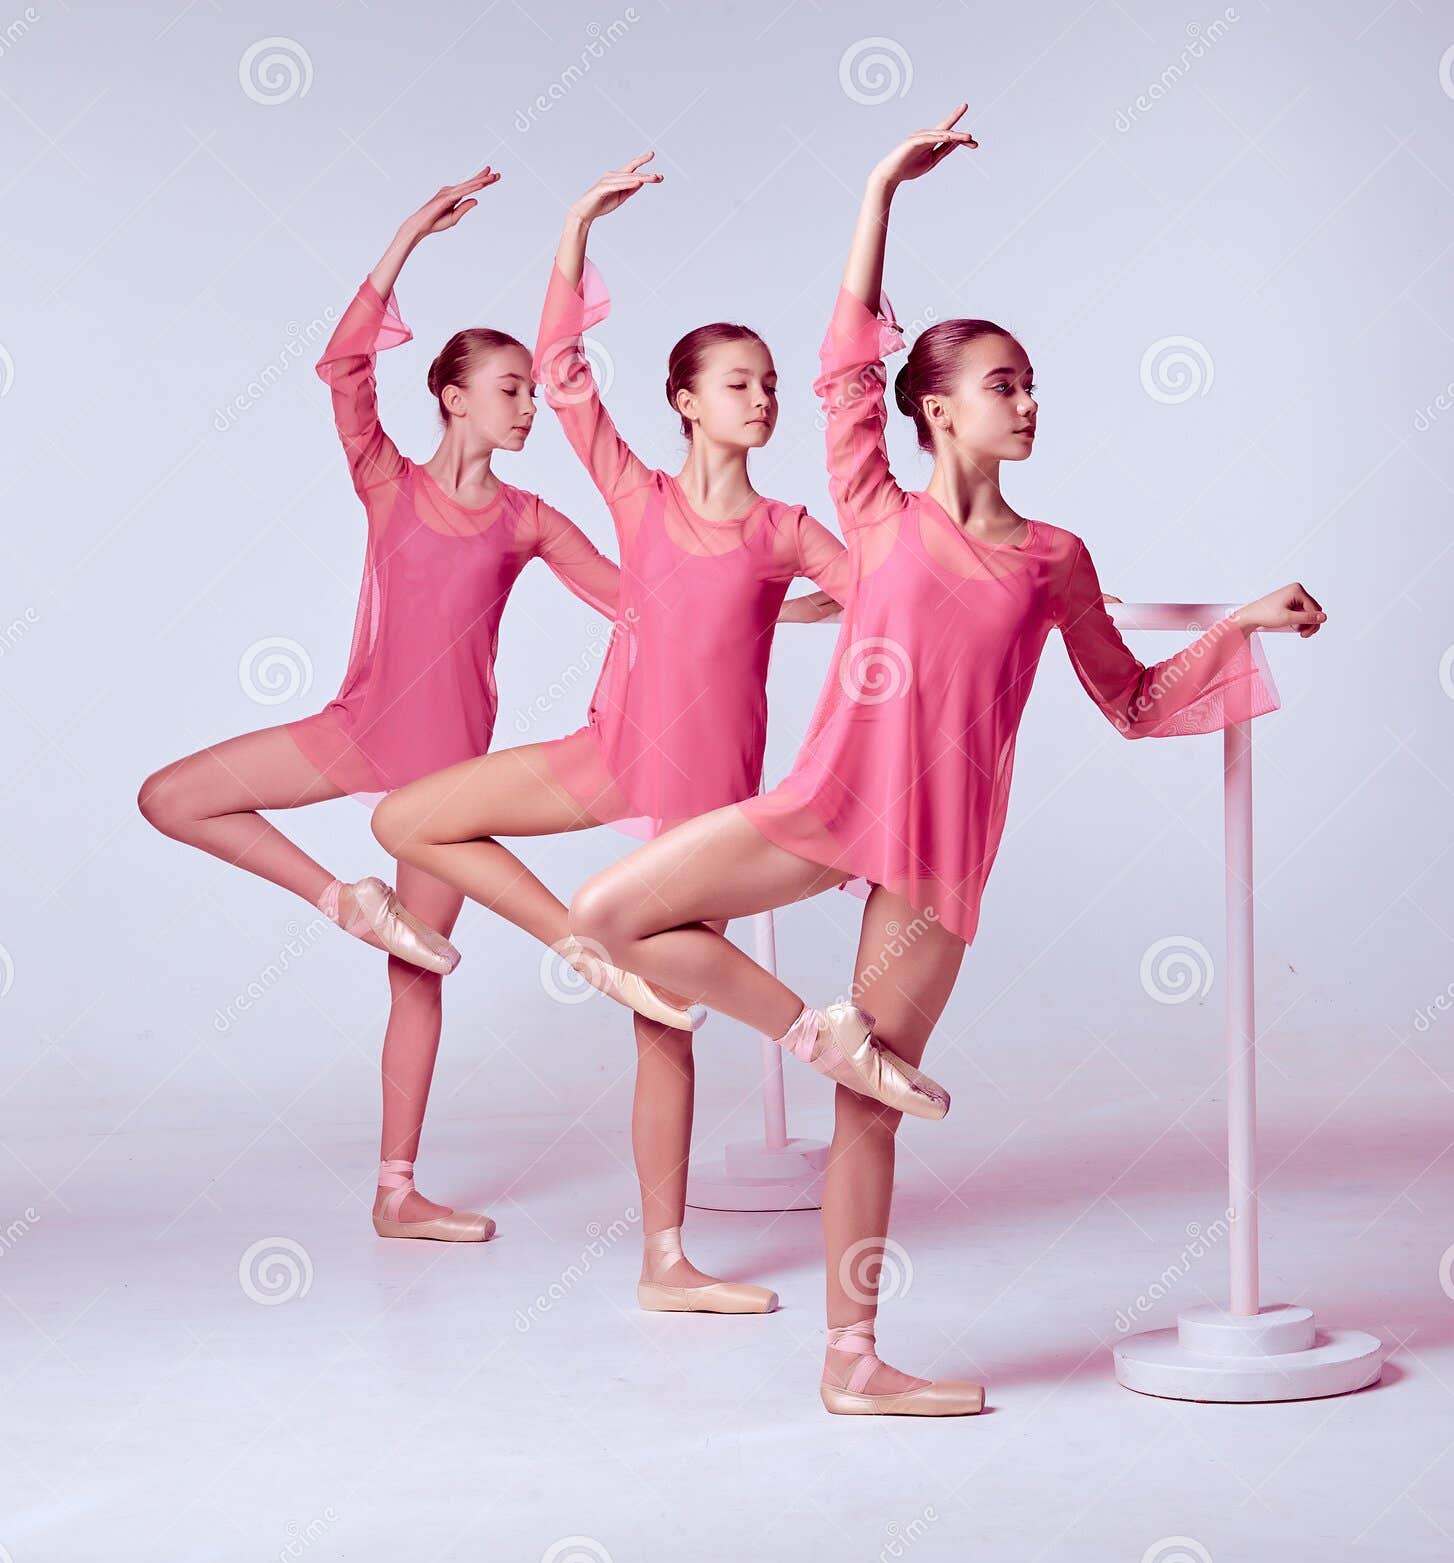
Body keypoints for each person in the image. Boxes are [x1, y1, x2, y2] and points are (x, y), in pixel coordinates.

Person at [562, 107, 1324, 1416]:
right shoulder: (872, 507)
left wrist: (1238, 625)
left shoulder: (1054, 557)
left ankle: (851, 1363)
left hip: (936, 852)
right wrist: (879, 187)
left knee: (868, 1112)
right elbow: (841, 364)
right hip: (824, 800)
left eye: (1030, 383)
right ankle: (815, 1032)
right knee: (607, 912)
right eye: (1002, 382)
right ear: (934, 407)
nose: (1026, 402)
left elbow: (1130, 700)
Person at [373, 153, 856, 1311]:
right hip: (607, 751)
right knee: (407, 819)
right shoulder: (638, 498)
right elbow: (561, 371)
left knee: (665, 1026)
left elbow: (889, 606)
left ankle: (663, 1263)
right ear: (685, 400)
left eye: (769, 383)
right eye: (737, 382)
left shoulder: (787, 529)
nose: (760, 398)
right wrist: (578, 222)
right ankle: (579, 945)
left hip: (705, 796)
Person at [139, 167, 630, 1242]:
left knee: (418, 974)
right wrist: (409, 234)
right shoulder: (387, 481)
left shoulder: (528, 518)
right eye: (511, 388)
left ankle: (396, 1193)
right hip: (356, 731)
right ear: (453, 396)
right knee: (170, 796)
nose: (529, 406)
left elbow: (632, 596)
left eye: (531, 390)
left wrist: (783, 596)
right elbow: (344, 367)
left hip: (447, 782)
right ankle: (341, 899)